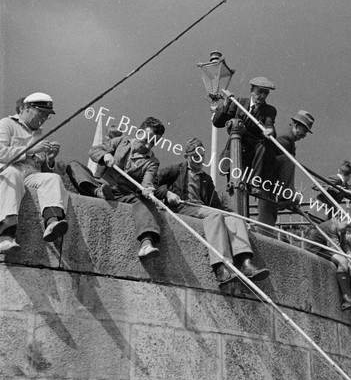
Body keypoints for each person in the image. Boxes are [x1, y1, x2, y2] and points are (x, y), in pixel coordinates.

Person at [154, 138, 270, 285]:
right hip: (183, 207)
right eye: (195, 157)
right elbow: (152, 182)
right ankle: (221, 268)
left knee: (234, 218)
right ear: (187, 157)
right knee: (215, 215)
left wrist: (234, 216)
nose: (199, 160)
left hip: (202, 209)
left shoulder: (206, 179)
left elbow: (217, 206)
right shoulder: (176, 170)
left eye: (201, 157)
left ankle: (245, 263)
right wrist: (167, 194)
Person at [66, 117, 165, 258]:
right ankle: (98, 193)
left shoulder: (152, 162)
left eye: (153, 142)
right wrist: (105, 155)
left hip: (124, 194)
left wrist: (148, 189)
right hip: (102, 184)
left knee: (145, 202)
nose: (148, 145)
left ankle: (146, 244)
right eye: (146, 139)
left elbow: (147, 182)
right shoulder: (121, 141)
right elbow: (95, 150)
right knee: (73, 166)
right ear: (139, 133)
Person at [0, 92, 69, 254]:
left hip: (29, 176)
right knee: (13, 173)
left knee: (53, 178)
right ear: (24, 108)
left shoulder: (38, 133)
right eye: (41, 113)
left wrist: (50, 160)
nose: (43, 118)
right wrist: (30, 150)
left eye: (46, 115)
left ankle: (52, 222)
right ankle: (5, 236)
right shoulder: (6, 124)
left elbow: (41, 170)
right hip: (7, 173)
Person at [257, 110, 315, 237]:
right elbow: (276, 160)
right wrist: (288, 195)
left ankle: (265, 236)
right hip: (266, 176)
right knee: (289, 159)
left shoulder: (290, 140)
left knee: (269, 211)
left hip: (271, 180)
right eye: (303, 131)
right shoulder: (285, 138)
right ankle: (286, 197)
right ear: (296, 125)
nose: (304, 135)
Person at [306, 198, 351, 312]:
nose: (348, 229)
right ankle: (346, 298)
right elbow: (334, 247)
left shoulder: (341, 227)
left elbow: (344, 245)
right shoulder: (330, 226)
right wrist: (348, 262)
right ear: (340, 219)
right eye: (347, 225)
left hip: (326, 249)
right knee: (343, 262)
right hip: (317, 250)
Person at [213, 76, 277, 184]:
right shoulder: (238, 103)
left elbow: (269, 125)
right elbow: (217, 123)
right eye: (259, 92)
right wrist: (226, 104)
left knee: (264, 146)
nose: (262, 96)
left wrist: (270, 131)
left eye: (265, 93)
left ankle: (255, 182)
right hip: (234, 150)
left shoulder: (270, 110)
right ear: (251, 91)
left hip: (253, 154)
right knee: (234, 186)